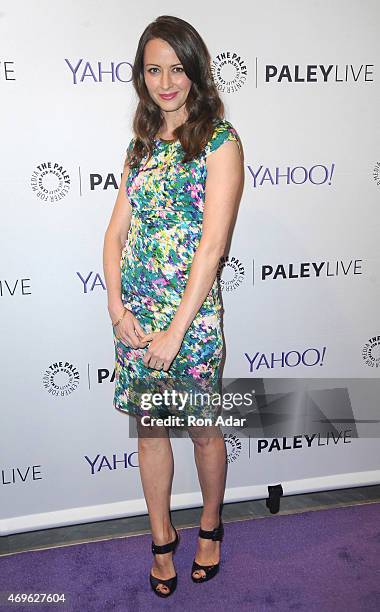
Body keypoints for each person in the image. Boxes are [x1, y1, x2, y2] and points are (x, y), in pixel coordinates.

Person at [103, 14, 243, 598]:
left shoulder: (220, 142)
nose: (165, 81)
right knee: (151, 432)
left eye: (177, 69)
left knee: (206, 433)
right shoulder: (140, 145)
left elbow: (213, 247)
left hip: (190, 322)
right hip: (137, 323)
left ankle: (209, 526)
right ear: (142, 76)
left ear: (196, 72)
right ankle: (162, 537)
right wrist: (116, 308)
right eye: (154, 69)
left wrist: (176, 331)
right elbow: (113, 236)